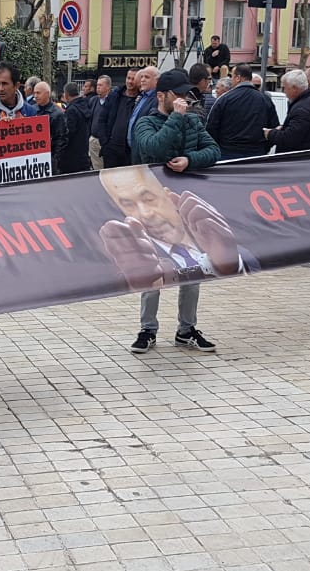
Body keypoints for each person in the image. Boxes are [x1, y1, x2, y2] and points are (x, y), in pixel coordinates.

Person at [100, 152, 251, 355]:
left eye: (149, 198)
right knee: (149, 281)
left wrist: (189, 158)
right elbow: (145, 146)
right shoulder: (131, 248)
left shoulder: (211, 232)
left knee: (192, 278)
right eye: (127, 204)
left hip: (187, 193)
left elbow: (211, 150)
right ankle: (148, 330)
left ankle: (186, 330)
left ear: (167, 193)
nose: (145, 213)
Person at [205, 64, 278, 160]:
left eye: (232, 76)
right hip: (257, 154)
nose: (231, 80)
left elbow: (212, 127)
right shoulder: (265, 100)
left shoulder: (225, 99)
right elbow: (274, 128)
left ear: (238, 78)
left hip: (227, 153)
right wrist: (264, 148)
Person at [265, 70, 310, 153]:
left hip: (300, 158)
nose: (284, 92)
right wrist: (284, 128)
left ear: (294, 88)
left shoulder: (302, 109)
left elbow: (290, 139)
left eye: (285, 88)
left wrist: (270, 133)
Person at [32, 81, 69, 174]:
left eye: (38, 93)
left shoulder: (58, 114)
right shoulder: (32, 110)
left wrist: (54, 160)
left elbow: (61, 139)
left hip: (49, 158)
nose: (35, 96)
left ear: (47, 94)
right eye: (34, 93)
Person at [57, 81, 94, 175]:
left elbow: (68, 134)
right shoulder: (85, 105)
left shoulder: (71, 111)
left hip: (71, 157)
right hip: (83, 152)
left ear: (66, 94)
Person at [88, 74, 114, 170]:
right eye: (97, 85)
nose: (98, 88)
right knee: (96, 167)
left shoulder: (113, 101)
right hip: (94, 139)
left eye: (100, 85)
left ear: (108, 87)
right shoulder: (93, 100)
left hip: (106, 141)